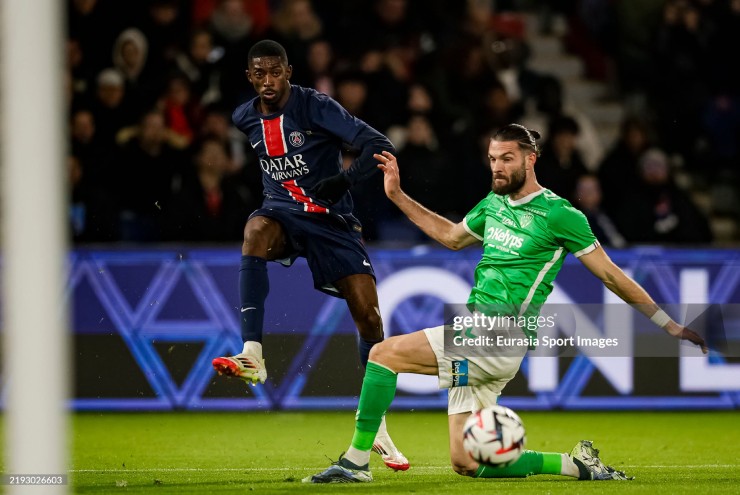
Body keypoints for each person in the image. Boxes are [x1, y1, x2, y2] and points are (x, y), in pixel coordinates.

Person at [304, 123, 707, 483]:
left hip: (501, 335)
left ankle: (355, 463)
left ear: (530, 159)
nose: (496, 166)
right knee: (467, 462)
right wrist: (397, 195)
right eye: (493, 158)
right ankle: (575, 464)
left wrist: (669, 325)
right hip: (478, 330)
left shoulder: (560, 214)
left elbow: (611, 275)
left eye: (506, 158)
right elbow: (452, 236)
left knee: (383, 354)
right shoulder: (493, 204)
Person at [210, 39, 408, 470]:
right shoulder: (244, 118)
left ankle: (377, 427)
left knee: (369, 319)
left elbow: (379, 143)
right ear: (249, 77)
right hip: (282, 215)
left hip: (332, 222)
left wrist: (345, 180)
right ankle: (253, 354)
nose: (267, 80)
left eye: (275, 72)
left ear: (289, 72)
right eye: (259, 73)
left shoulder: (315, 106)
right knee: (254, 230)